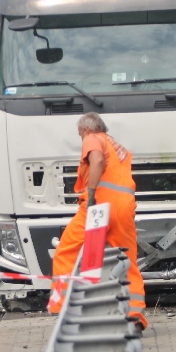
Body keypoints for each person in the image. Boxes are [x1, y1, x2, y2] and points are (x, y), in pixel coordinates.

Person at [48, 112, 147, 330]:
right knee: (126, 259)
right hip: (124, 207)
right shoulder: (116, 146)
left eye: (79, 134)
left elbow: (97, 160)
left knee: (67, 251)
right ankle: (134, 315)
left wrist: (91, 194)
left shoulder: (93, 138)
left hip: (98, 206)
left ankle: (63, 306)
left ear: (85, 129)